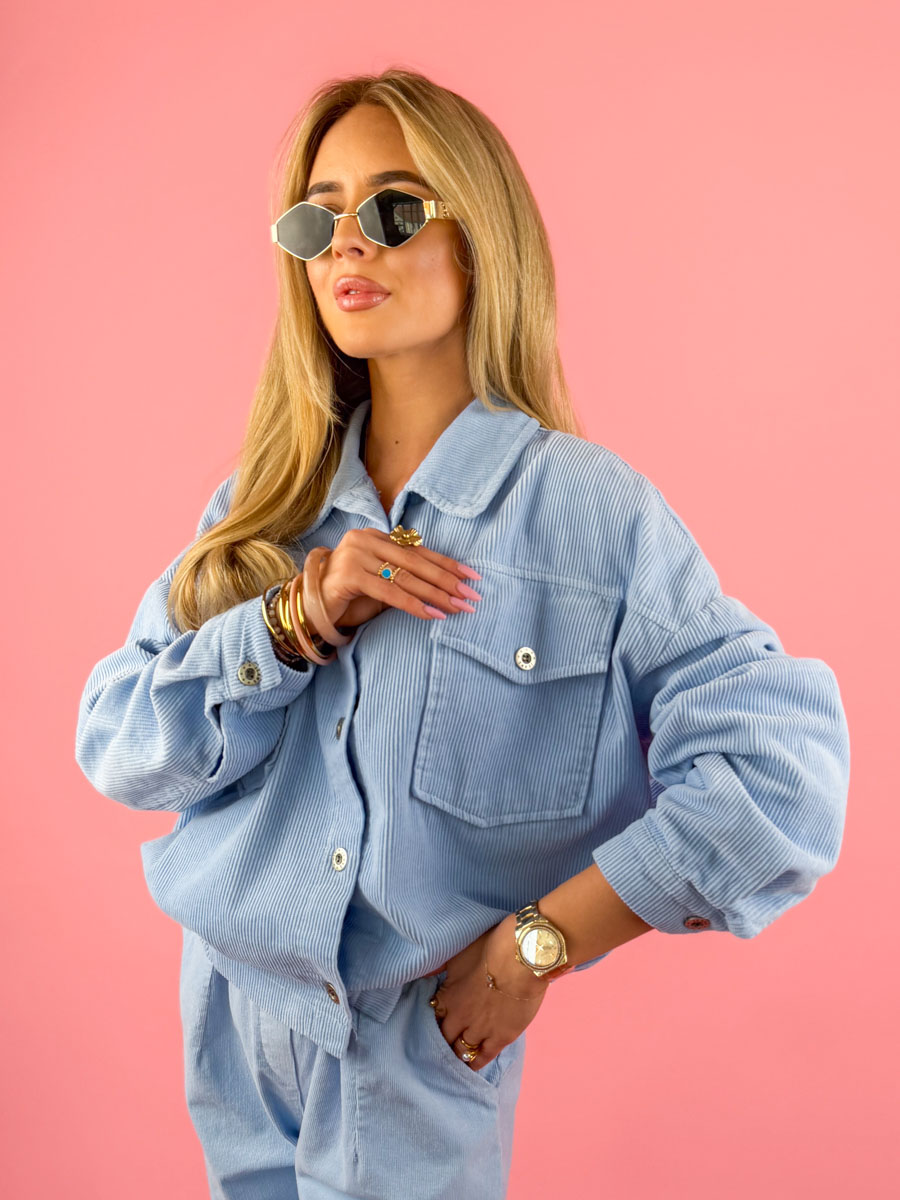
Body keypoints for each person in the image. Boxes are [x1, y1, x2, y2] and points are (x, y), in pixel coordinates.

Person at [74, 68, 850, 1200]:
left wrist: (540, 943)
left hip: (412, 1048)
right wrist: (291, 622)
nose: (348, 245)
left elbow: (782, 776)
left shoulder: (591, 514)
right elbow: (117, 745)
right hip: (234, 1021)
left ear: (479, 239)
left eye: (392, 209)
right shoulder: (262, 509)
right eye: (317, 222)